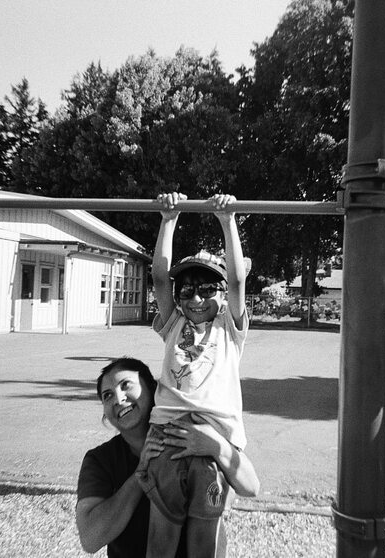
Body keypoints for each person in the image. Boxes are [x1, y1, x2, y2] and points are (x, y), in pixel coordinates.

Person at [137, 191, 254, 558]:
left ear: (220, 295)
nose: (196, 298)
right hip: (169, 438)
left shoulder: (228, 329)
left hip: (213, 442)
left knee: (204, 543)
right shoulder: (174, 323)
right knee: (160, 541)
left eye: (207, 289)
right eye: (187, 289)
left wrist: (228, 220)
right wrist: (168, 219)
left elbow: (236, 281)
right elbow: (159, 278)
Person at [76, 357, 259, 557]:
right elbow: (90, 539)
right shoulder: (101, 460)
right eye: (107, 395)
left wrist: (217, 447)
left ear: (154, 390)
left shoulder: (191, 434)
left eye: (126, 385)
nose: (118, 399)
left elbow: (251, 487)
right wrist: (141, 475)